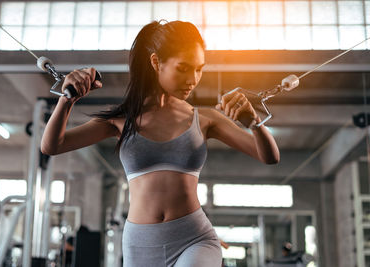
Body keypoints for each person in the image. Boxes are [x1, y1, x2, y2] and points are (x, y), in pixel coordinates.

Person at [41, 20, 279, 267]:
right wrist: (67, 100)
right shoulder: (122, 121)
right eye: (184, 68)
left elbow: (269, 156)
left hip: (194, 238)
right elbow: (52, 146)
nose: (193, 79)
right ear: (156, 63)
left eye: (199, 69)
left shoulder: (206, 118)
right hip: (140, 244)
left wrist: (254, 122)